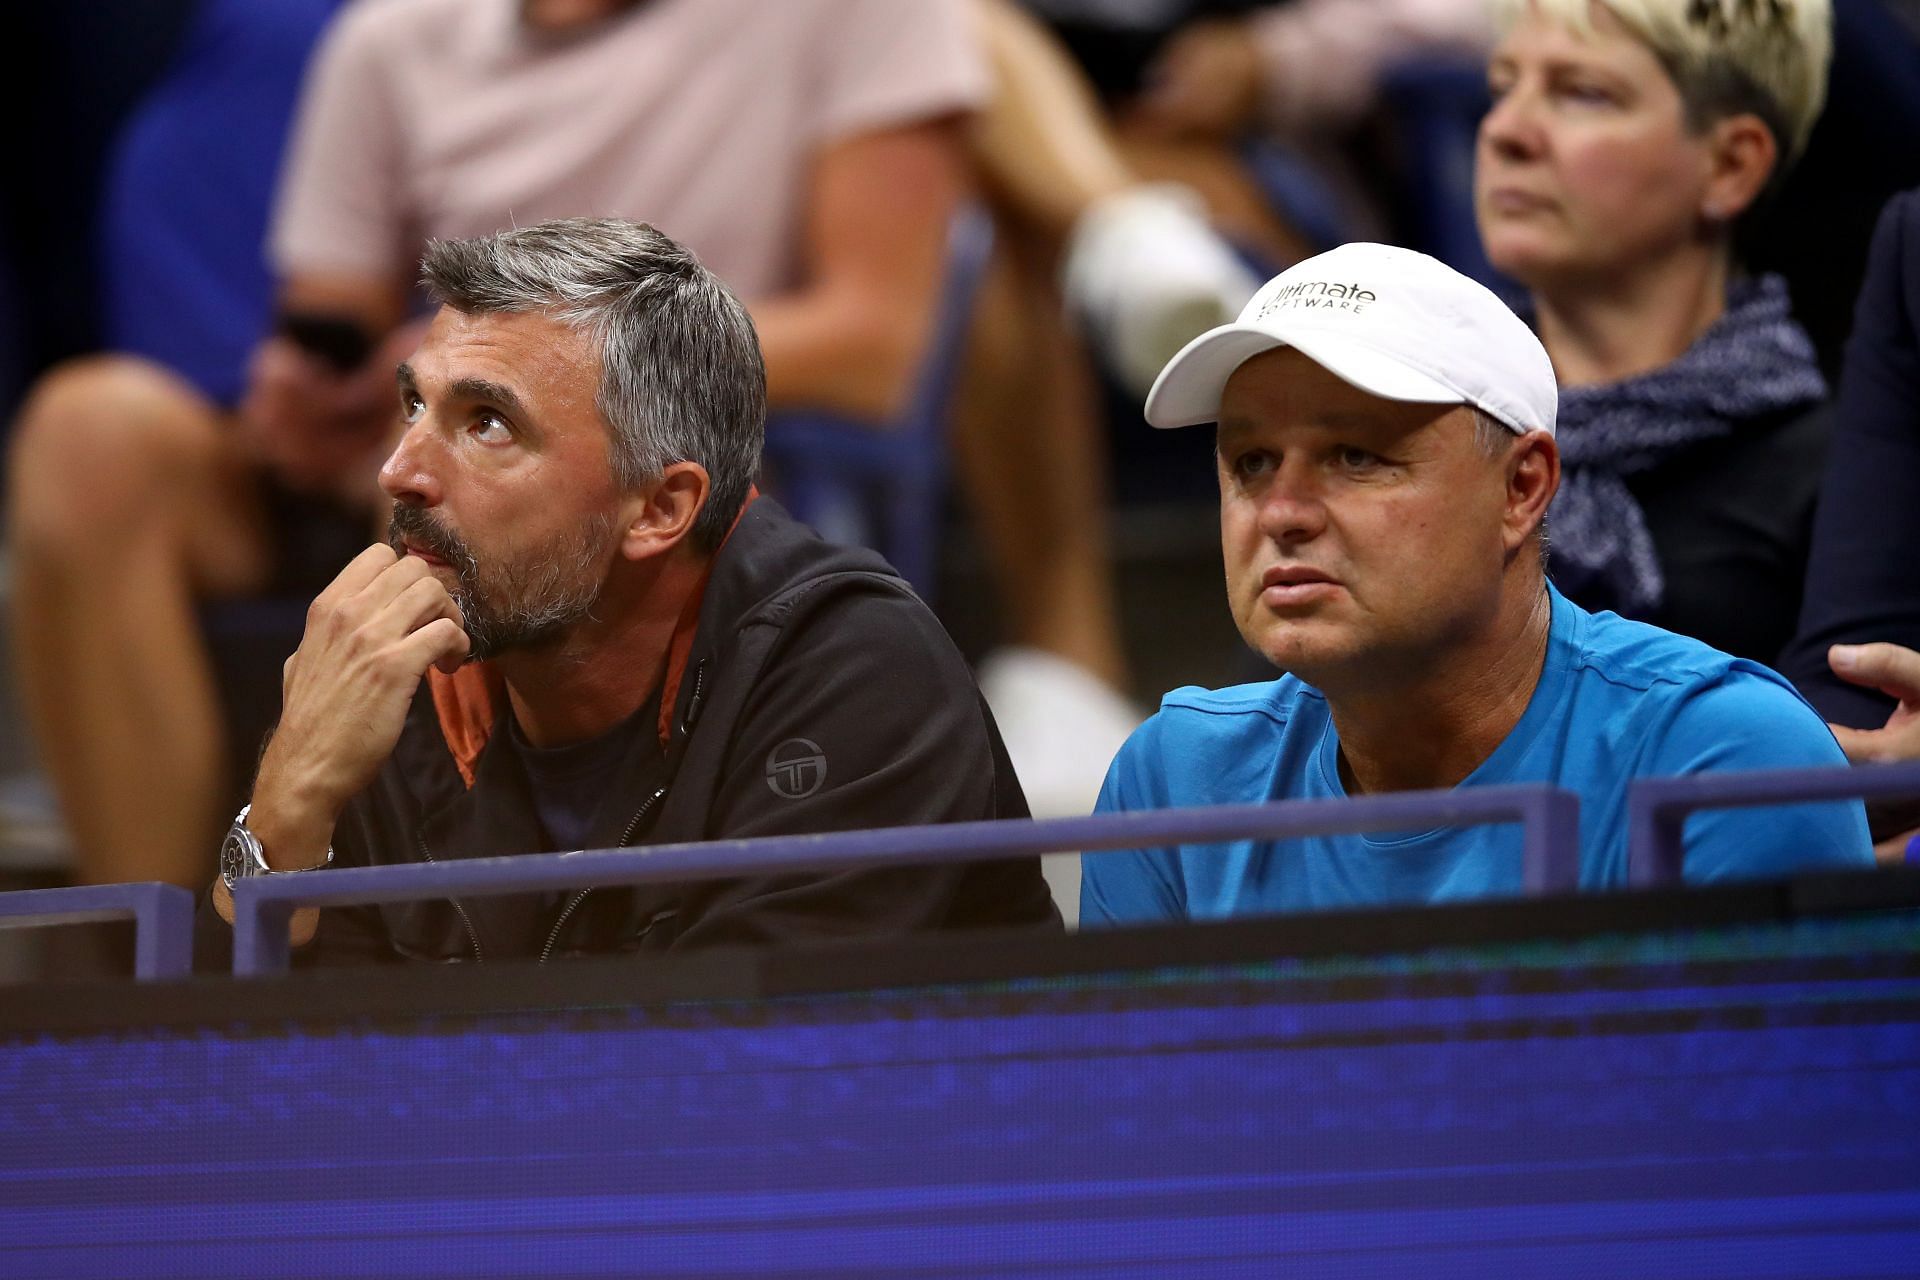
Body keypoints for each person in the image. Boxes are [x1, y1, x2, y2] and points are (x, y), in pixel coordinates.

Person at [5, 0, 1131, 889]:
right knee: (86, 432)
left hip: (654, 441)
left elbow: (881, 339)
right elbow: (333, 311)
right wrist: (311, 390)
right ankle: (152, 970)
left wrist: (554, 375)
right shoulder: (390, 37)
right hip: (408, 433)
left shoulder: (840, 11)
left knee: (454, 463)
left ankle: (477, 935)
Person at [199, 218, 1057, 966]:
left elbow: (735, 1100)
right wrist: (290, 801)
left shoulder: (855, 674)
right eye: (413, 407)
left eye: (486, 423)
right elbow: (259, 1093)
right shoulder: (393, 682)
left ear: (660, 507)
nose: (400, 470)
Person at [1080, 241, 1871, 926]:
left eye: (1356, 455)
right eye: (1251, 463)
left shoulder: (1723, 760)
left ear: (1523, 488)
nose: (1282, 512)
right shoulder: (1174, 783)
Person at [1474, 0, 1835, 663]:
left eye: (1582, 93)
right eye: (1502, 88)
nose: (1506, 130)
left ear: (1730, 166)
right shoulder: (1426, 433)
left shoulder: (1845, 476)